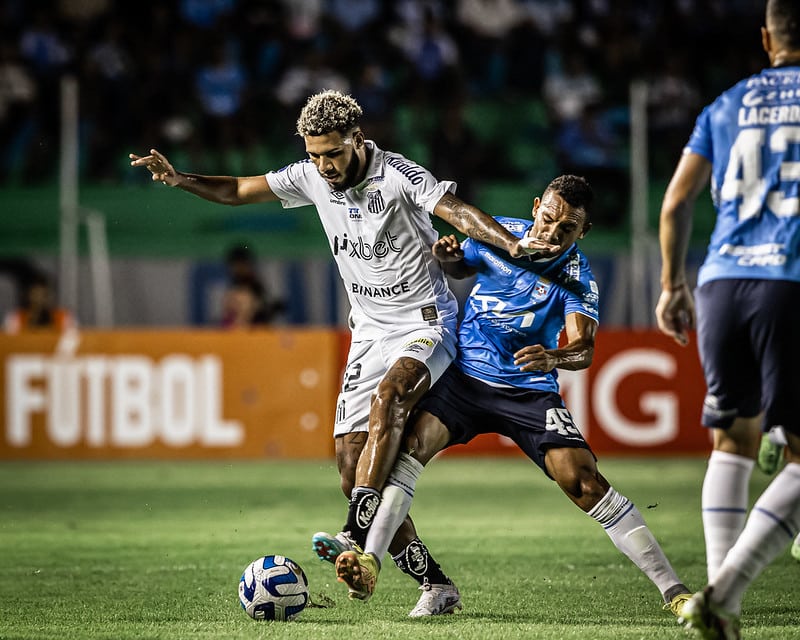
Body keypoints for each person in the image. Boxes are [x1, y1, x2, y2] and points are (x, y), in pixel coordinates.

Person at [130, 89, 543, 616]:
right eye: (315, 154)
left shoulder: (398, 175)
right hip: (368, 332)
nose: (324, 165)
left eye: (334, 153)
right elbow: (237, 188)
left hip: (425, 323)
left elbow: (457, 212)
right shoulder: (309, 176)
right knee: (351, 466)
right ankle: (435, 586)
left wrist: (512, 244)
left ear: (358, 140)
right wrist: (180, 178)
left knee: (390, 398)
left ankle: (354, 532)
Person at [324, 175, 692, 618]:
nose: (551, 234)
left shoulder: (579, 279)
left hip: (526, 392)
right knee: (408, 454)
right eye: (549, 219)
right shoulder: (500, 232)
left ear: (583, 232)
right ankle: (370, 562)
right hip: (464, 378)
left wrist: (555, 356)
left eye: (567, 229)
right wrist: (449, 260)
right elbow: (464, 266)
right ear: (538, 206)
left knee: (583, 482)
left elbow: (584, 349)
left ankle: (674, 591)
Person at [654, 2, 800, 638]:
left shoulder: (726, 103)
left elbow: (677, 200)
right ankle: (726, 587)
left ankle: (720, 609)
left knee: (733, 440)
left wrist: (671, 284)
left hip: (720, 282)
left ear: (766, 38)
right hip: (790, 281)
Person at [4, 270, 75, 334]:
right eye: (35, 294)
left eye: (43, 295)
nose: (39, 299)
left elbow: (74, 340)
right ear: (27, 295)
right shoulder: (16, 318)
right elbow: (10, 341)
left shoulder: (63, 318)